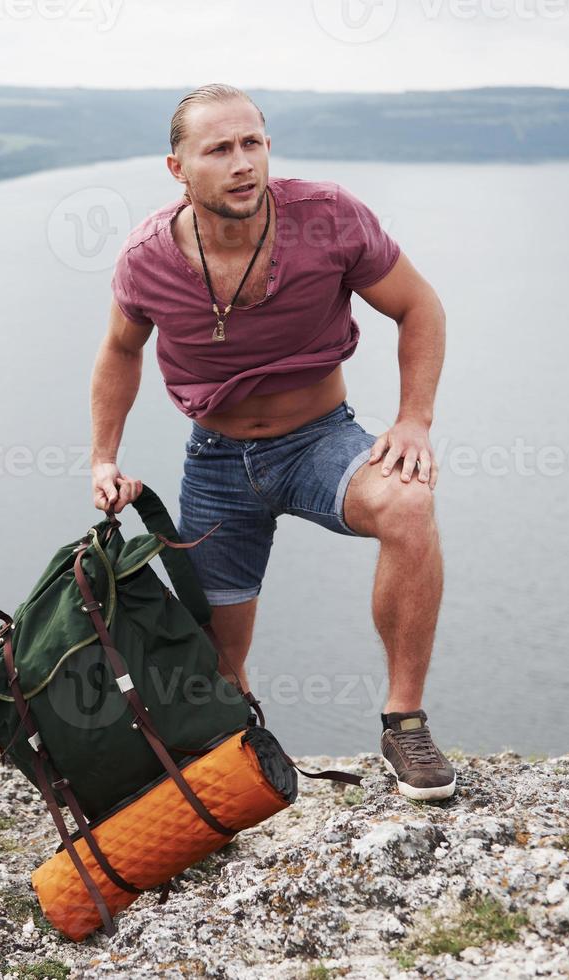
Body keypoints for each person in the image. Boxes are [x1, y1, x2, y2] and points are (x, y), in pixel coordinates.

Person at [88, 83, 453, 801]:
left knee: (407, 508)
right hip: (216, 462)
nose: (241, 162)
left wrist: (413, 420)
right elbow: (118, 351)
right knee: (220, 657)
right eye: (218, 149)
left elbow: (419, 307)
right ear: (177, 169)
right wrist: (104, 457)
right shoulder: (145, 259)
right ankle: (242, 753)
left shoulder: (328, 217)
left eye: (252, 142)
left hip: (321, 441)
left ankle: (402, 721)